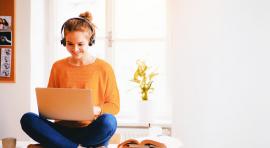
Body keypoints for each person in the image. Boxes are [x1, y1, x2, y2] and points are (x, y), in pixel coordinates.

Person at [20, 11, 120, 148]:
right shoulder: (58, 66)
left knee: (109, 121)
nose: (75, 49)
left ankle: (65, 146)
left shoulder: (104, 68)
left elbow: (114, 106)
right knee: (28, 119)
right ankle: (75, 147)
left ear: (90, 41)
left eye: (80, 44)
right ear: (63, 42)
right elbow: (49, 103)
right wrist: (47, 112)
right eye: (70, 44)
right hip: (61, 130)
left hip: (90, 131)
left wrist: (96, 110)